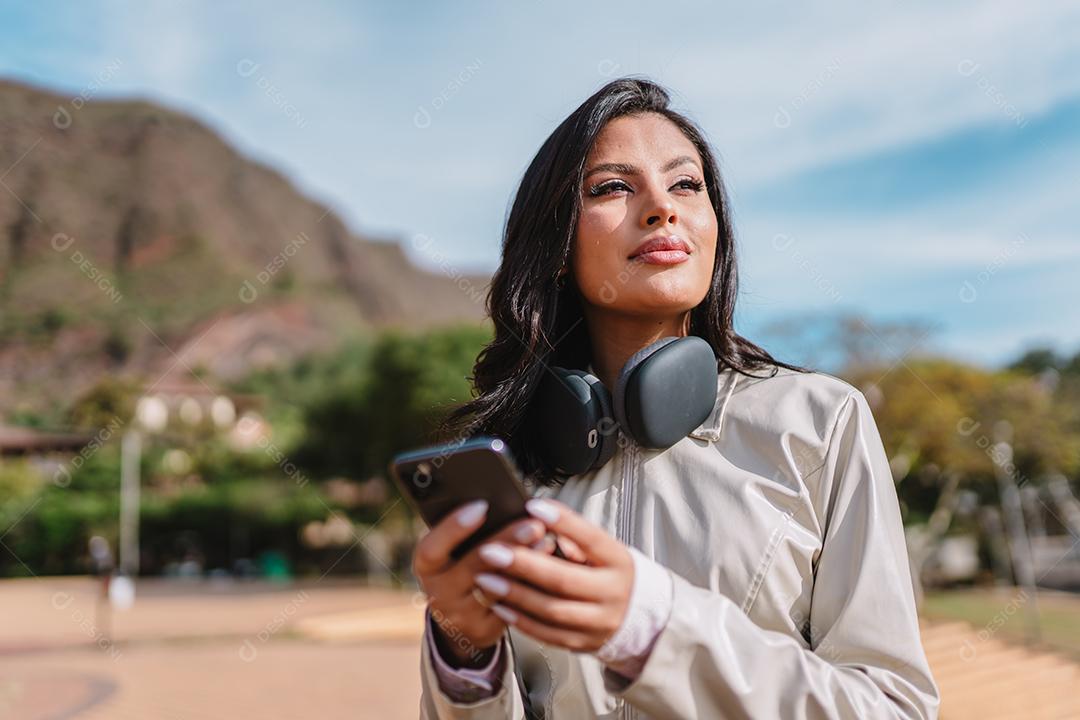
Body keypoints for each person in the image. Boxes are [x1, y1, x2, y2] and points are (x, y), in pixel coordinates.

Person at [413, 77, 939, 719]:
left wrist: (655, 629)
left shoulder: (821, 423)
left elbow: (892, 708)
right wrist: (464, 661)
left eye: (686, 184)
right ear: (556, 245)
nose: (662, 207)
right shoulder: (510, 467)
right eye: (612, 187)